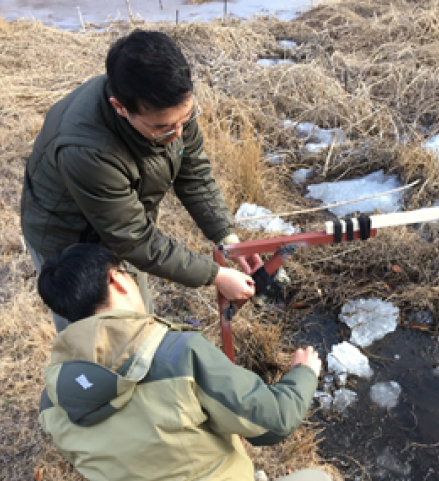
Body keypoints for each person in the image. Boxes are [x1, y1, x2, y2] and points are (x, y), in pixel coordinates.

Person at [36, 243, 337, 481]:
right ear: (117, 280)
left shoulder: (53, 398)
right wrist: (303, 373)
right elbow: (273, 423)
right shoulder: (180, 353)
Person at [21, 29, 262, 331]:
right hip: (69, 238)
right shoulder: (87, 150)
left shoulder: (168, 103)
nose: (177, 133)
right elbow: (135, 238)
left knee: (137, 321)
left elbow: (194, 175)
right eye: (163, 128)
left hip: (121, 224)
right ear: (120, 108)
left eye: (185, 120)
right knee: (94, 336)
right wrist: (215, 275)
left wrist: (228, 240)